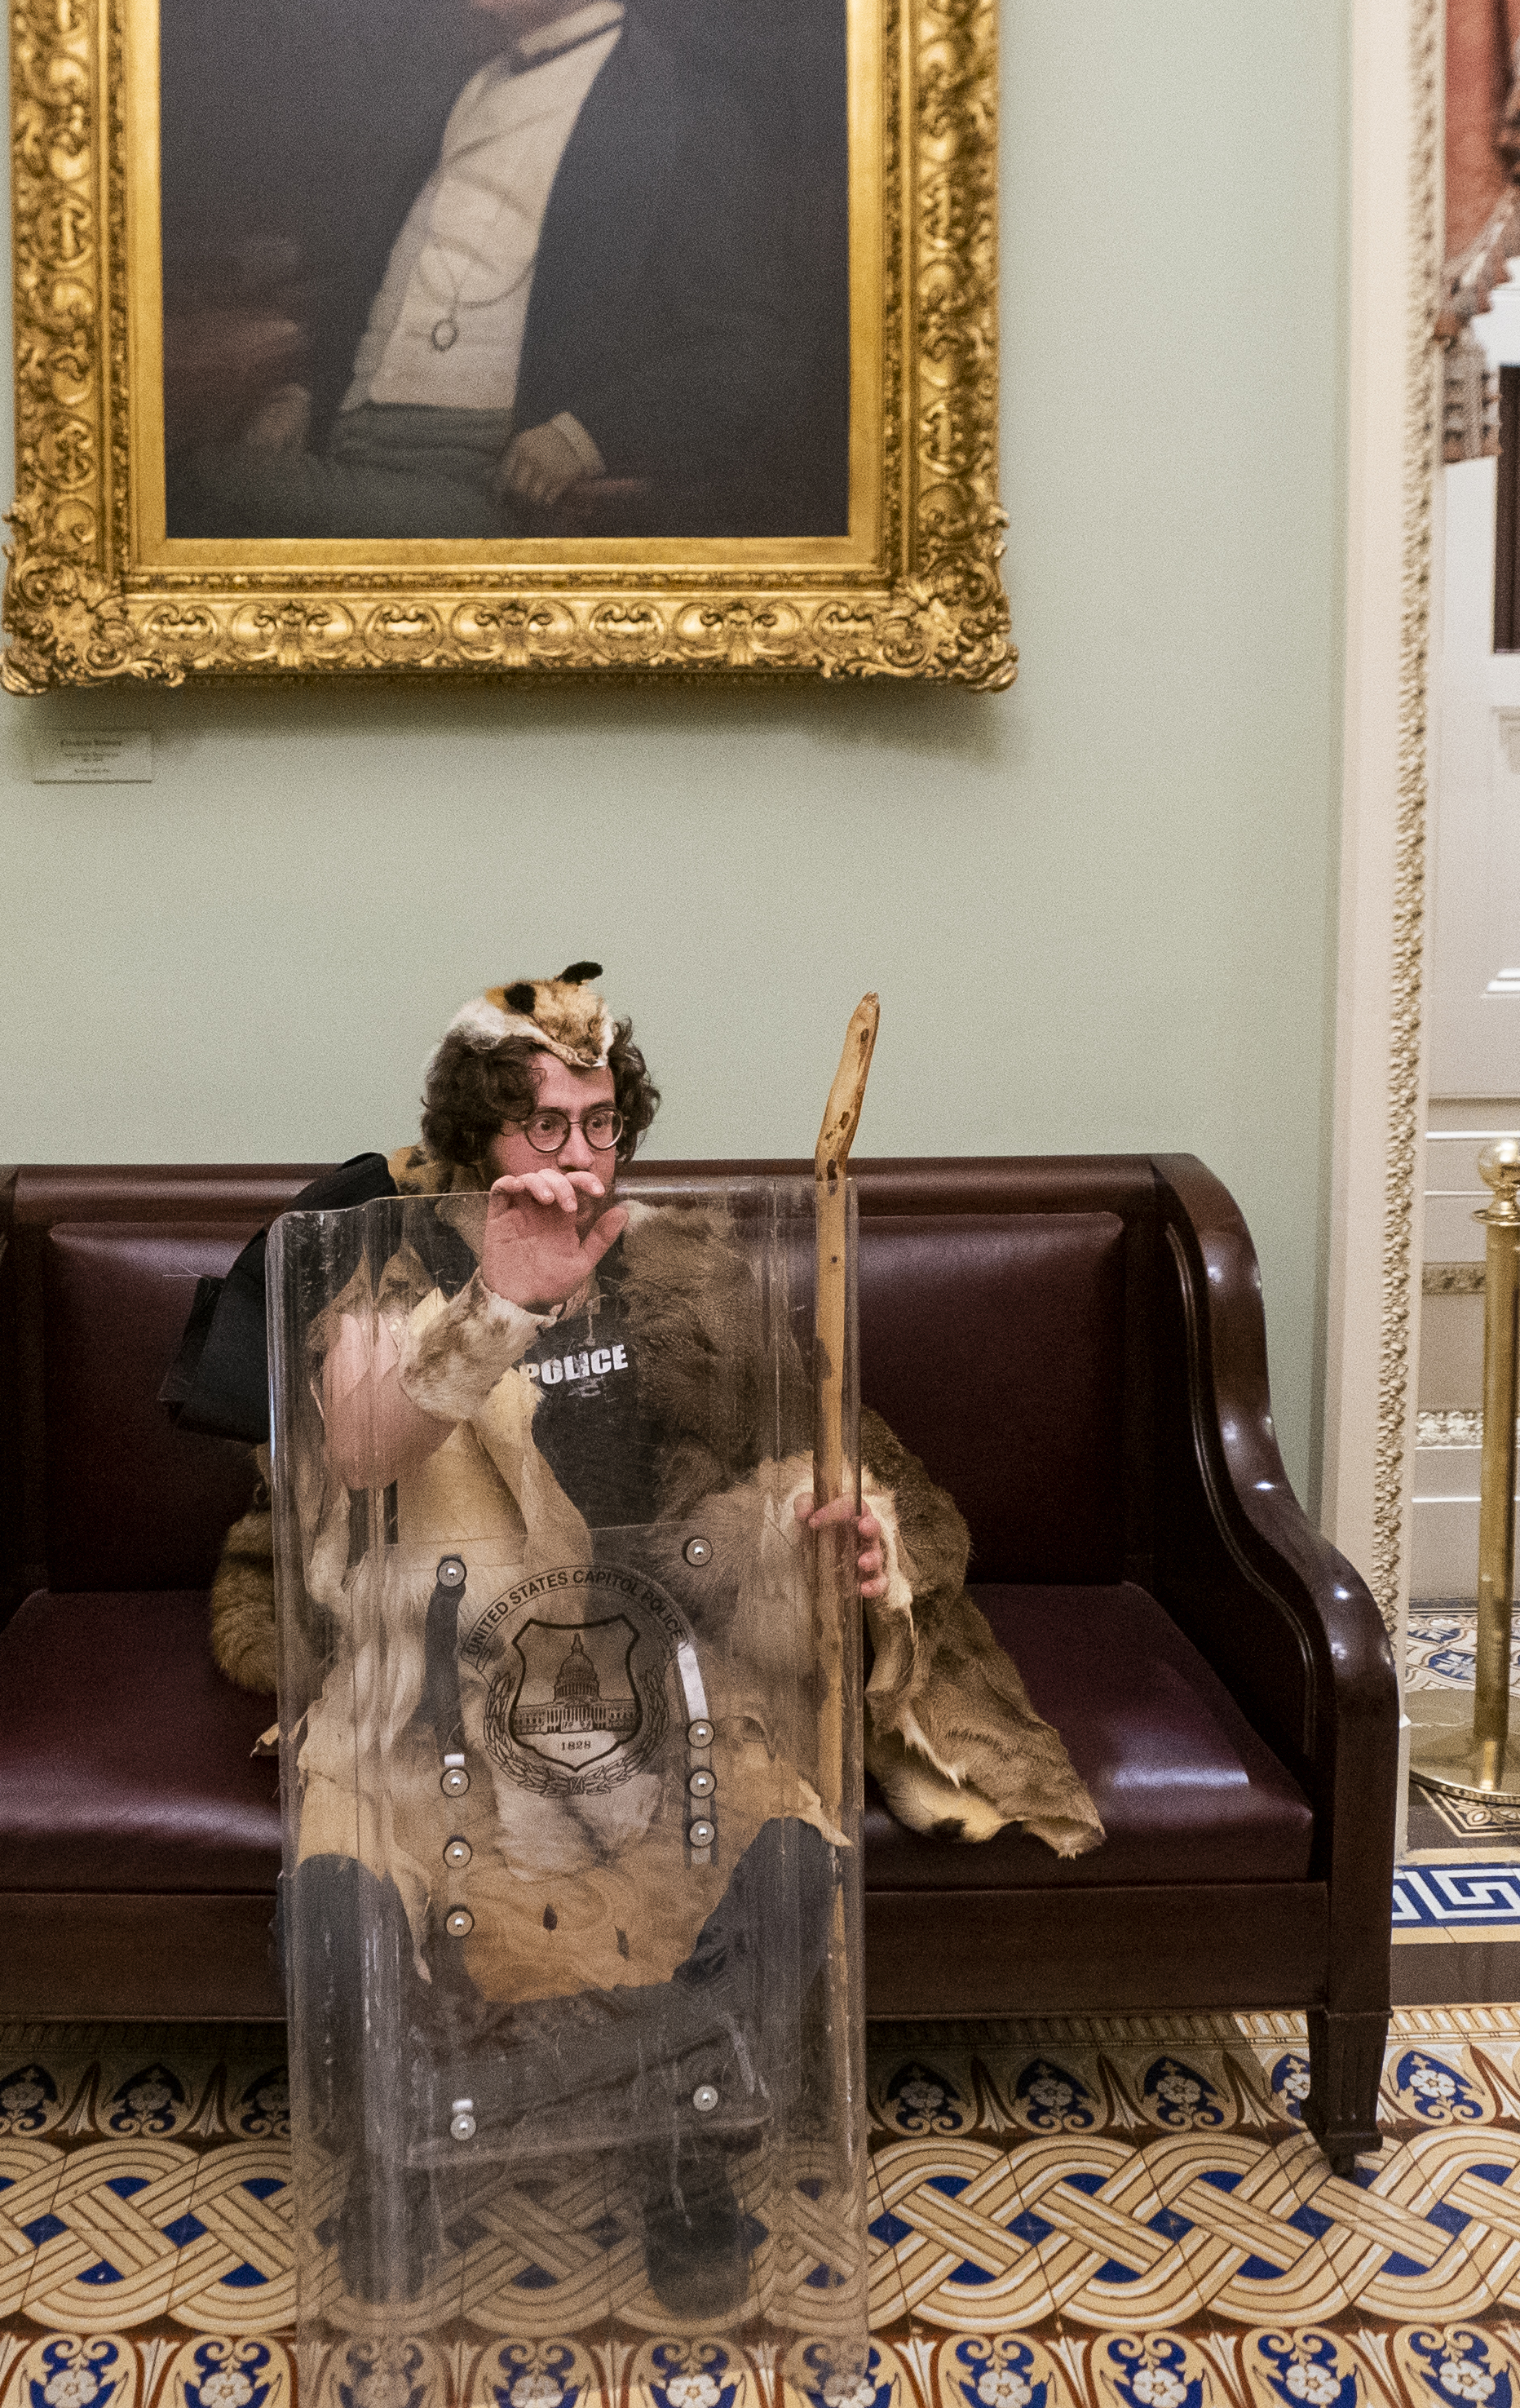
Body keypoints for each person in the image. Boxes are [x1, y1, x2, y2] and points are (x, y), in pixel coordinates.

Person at [169, 965, 1096, 2317]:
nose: (581, 1158)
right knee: (337, 1906)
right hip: (425, 1694)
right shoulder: (378, 1253)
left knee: (787, 1860)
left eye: (601, 1125)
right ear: (477, 1133)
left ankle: (683, 2152)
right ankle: (399, 2157)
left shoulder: (679, 1265)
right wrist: (501, 1297)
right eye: (547, 1126)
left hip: (651, 1680)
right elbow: (365, 1442)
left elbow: (752, 1486)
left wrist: (826, 1544)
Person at [176, 0, 837, 540]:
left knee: (189, 493)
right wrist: (309, 389)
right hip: (345, 444)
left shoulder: (676, 108)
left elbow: (754, 353)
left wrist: (583, 438)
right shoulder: (471, 88)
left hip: (479, 485)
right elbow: (383, 274)